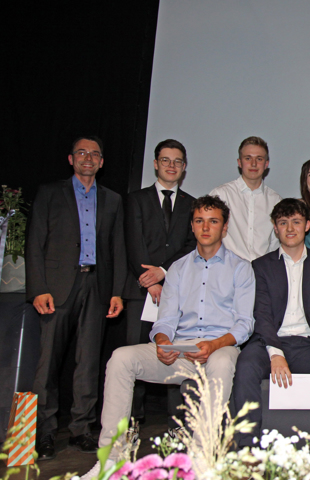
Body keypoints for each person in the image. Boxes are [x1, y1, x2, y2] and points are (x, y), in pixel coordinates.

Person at [82, 196, 255, 478]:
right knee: (121, 358)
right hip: (180, 350)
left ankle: (199, 462)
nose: (206, 227)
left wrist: (214, 344)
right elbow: (165, 320)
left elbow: (244, 325)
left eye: (213, 221)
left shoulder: (241, 268)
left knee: (223, 362)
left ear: (224, 228)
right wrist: (162, 340)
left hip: (219, 348)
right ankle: (111, 461)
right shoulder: (178, 268)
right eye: (199, 221)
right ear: (192, 226)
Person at [27, 136, 126, 460]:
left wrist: (117, 291)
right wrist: (38, 288)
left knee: (89, 363)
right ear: (71, 159)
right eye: (82, 153)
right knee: (47, 365)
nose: (88, 158)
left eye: (95, 154)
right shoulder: (50, 193)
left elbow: (117, 247)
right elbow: (34, 241)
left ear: (101, 162)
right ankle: (43, 433)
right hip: (56, 288)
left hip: (97, 287)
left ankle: (81, 430)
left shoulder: (113, 199)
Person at [233, 198, 310, 447]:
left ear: (307, 225)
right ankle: (246, 449)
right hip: (269, 343)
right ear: (275, 228)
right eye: (283, 222)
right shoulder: (260, 266)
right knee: (245, 364)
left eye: (296, 222)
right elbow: (262, 314)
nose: (289, 228)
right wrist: (275, 353)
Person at [123, 138, 197, 427]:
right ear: (156, 164)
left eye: (177, 161)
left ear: (184, 167)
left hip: (176, 288)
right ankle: (132, 417)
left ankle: (176, 420)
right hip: (139, 288)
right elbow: (133, 242)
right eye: (165, 160)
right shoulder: (136, 199)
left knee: (174, 352)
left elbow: (191, 244)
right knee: (135, 353)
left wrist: (164, 272)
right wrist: (150, 280)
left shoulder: (192, 204)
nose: (171, 165)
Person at [210, 136, 282, 261]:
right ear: (239, 162)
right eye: (248, 158)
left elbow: (276, 244)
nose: (253, 164)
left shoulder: (276, 201)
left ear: (266, 164)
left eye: (259, 159)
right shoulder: (221, 195)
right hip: (228, 268)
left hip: (263, 270)